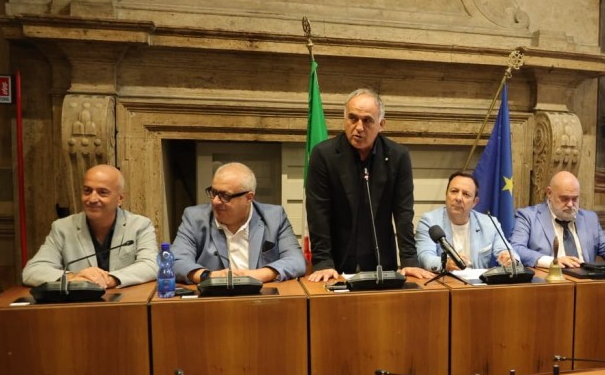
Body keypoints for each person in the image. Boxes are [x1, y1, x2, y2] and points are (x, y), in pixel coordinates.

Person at [305, 89, 432, 282]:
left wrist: (409, 260)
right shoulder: (324, 155)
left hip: (381, 259)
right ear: (344, 119)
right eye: (352, 118)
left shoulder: (398, 157)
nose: (358, 127)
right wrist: (323, 261)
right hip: (336, 262)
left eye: (367, 120)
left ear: (381, 124)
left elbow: (403, 213)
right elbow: (318, 213)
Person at [22, 164, 158, 288]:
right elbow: (32, 271)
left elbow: (152, 265)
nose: (92, 199)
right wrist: (73, 277)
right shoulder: (62, 228)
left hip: (125, 304)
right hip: (78, 307)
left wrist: (109, 279)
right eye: (87, 191)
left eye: (102, 192)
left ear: (120, 199)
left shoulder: (139, 225)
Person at [172, 162, 306, 283]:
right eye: (213, 192)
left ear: (248, 198)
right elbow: (175, 261)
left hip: (260, 297)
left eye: (225, 196)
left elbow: (296, 261)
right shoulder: (194, 217)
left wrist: (258, 275)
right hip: (213, 299)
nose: (215, 201)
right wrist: (207, 277)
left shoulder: (274, 217)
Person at [511, 170, 605, 268]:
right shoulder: (528, 216)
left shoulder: (589, 218)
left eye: (575, 199)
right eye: (564, 198)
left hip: (585, 286)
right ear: (549, 194)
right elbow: (516, 248)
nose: (570, 204)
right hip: (547, 284)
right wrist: (553, 261)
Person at [415, 172, 514, 270]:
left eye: (466, 194)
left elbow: (507, 251)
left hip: (478, 284)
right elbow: (424, 257)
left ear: (474, 202)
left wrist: (509, 258)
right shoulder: (429, 221)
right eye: (454, 191)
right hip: (445, 282)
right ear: (446, 195)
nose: (458, 198)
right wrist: (446, 263)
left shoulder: (489, 223)